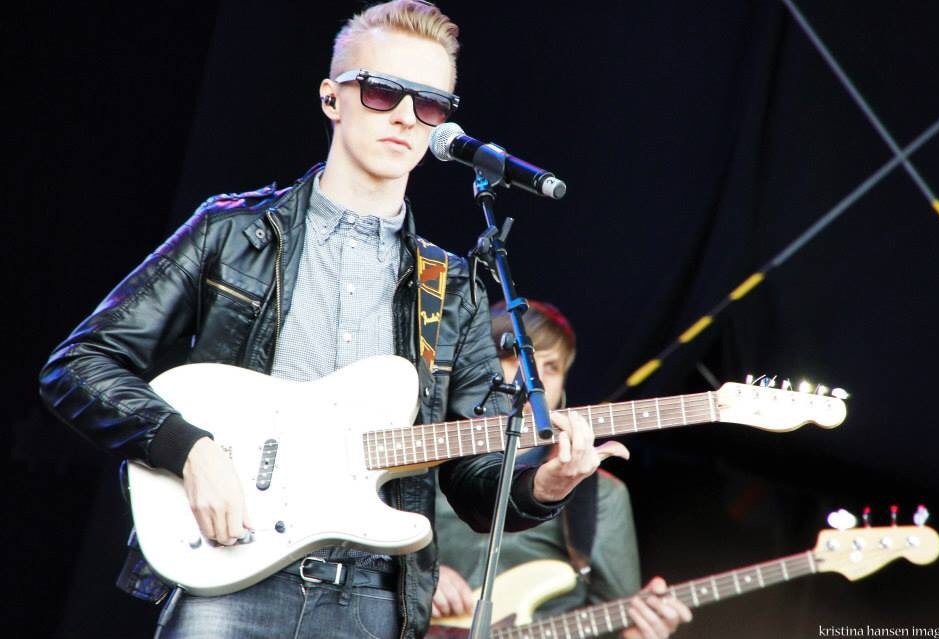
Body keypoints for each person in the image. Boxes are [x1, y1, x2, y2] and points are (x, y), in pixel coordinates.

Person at [37, 2, 628, 638]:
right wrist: (190, 449)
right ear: (331, 98)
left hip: (373, 601)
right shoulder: (231, 233)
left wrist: (547, 483)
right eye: (383, 91)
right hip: (230, 575)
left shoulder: (453, 285)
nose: (406, 116)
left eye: (430, 104)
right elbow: (78, 366)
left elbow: (474, 482)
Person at [432, 301, 692, 639]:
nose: (534, 378)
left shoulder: (602, 494)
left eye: (551, 367)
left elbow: (620, 624)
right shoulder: (419, 464)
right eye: (513, 356)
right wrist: (418, 577)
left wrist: (641, 633)